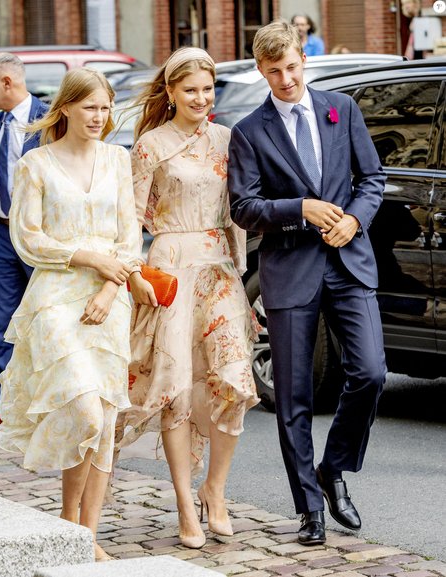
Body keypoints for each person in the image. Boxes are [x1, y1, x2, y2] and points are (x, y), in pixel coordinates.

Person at [228, 20, 387, 546]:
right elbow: (244, 207)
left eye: (292, 67)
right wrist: (300, 209)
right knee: (293, 399)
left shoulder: (342, 110)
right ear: (261, 70)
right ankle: (309, 508)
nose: (286, 79)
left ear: (303, 60)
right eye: (274, 72)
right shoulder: (250, 132)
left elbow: (373, 180)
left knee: (370, 372)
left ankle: (333, 466)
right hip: (290, 272)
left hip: (349, 263)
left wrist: (354, 220)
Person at [0, 67, 141, 562]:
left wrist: (109, 283)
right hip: (56, 296)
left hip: (110, 298)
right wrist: (86, 258)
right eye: (89, 107)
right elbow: (28, 237)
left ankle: (86, 532)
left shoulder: (118, 160)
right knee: (83, 407)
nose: (98, 117)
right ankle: (66, 516)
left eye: (105, 107)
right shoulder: (35, 164)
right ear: (66, 108)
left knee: (105, 416)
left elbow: (130, 238)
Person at [117, 46, 259, 549]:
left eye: (208, 88)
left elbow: (238, 213)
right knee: (175, 389)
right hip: (171, 267)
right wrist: (133, 277)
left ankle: (214, 490)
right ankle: (183, 504)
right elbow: (130, 221)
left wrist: (243, 283)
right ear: (172, 92)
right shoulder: (150, 146)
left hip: (219, 271)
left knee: (234, 381)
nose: (202, 97)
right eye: (191, 89)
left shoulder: (228, 139)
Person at [0, 53, 48, 438]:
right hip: (0, 233)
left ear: (6, 83)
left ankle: (47, 408)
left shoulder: (49, 118)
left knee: (46, 321)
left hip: (40, 237)